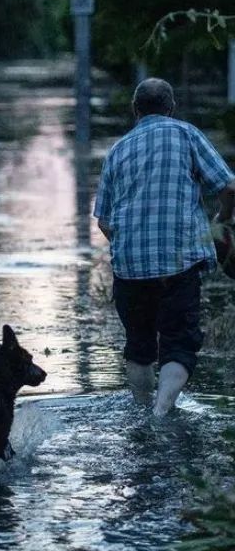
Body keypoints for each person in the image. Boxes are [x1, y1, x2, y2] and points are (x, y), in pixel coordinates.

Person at [94, 77, 235, 416]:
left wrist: (130, 247)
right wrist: (220, 222)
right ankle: (160, 412)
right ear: (171, 108)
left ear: (135, 110)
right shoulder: (185, 134)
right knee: (179, 342)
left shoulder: (117, 150)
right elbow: (229, 187)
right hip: (179, 260)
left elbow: (103, 221)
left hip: (130, 267)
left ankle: (143, 413)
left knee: (139, 346)